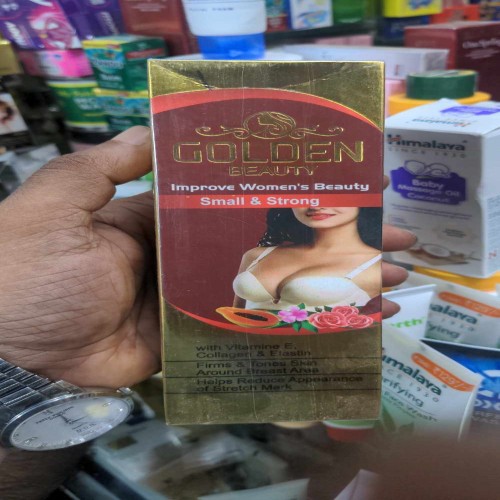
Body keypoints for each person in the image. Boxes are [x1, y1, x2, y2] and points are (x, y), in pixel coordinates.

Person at [0, 126, 415, 499]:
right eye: (302, 192)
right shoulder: (258, 252)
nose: (316, 202)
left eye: (333, 189)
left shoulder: (368, 265)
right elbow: (230, 317)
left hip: (312, 375)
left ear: (360, 194)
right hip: (236, 371)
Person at [234, 206, 382, 312]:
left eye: (332, 195)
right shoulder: (256, 255)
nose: (315, 205)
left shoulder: (377, 264)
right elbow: (236, 317)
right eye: (304, 197)